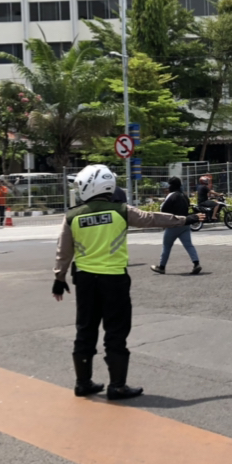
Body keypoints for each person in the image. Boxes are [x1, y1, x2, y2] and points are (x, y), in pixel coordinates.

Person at [52, 164, 203, 400]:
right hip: (114, 280)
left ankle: (82, 383)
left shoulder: (72, 216)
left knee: (85, 329)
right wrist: (185, 219)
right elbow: (151, 219)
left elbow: (63, 251)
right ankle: (117, 386)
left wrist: (59, 278)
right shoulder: (120, 211)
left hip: (84, 281)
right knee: (116, 330)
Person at [151, 177, 202, 275]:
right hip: (185, 223)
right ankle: (196, 264)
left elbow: (163, 209)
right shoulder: (184, 195)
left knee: (166, 246)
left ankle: (161, 267)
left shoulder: (171, 195)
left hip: (173, 224)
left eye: (169, 185)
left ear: (172, 186)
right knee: (189, 245)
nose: (168, 187)